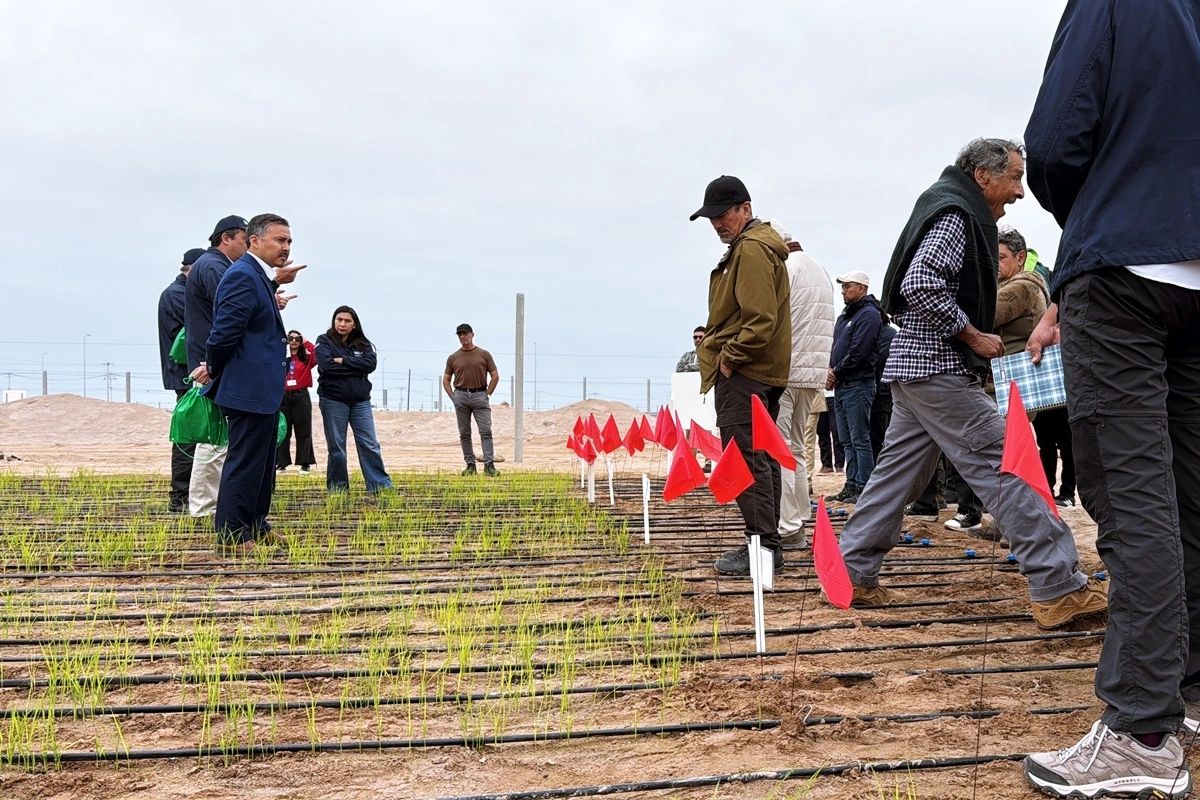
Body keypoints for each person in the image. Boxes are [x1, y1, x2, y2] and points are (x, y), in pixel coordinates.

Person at [1021, 2, 1200, 794]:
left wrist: (1097, 220)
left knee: (1135, 500)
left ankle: (1144, 729)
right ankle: (1186, 691)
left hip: (1126, 268)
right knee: (1191, 494)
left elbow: (1057, 141)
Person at [826, 138, 1105, 629]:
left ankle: (849, 571)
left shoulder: (945, 204)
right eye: (1014, 178)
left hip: (915, 370)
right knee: (1009, 467)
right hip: (940, 369)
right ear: (982, 176)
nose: (1019, 192)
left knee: (896, 478)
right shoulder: (958, 215)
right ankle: (1059, 586)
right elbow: (920, 284)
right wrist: (973, 334)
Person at [688, 175, 790, 576]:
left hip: (746, 371)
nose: (716, 223)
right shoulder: (753, 248)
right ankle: (766, 543)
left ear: (745, 208)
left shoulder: (749, 250)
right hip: (758, 371)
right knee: (760, 457)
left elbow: (759, 321)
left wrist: (729, 357)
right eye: (711, 217)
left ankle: (762, 546)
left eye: (722, 213)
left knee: (748, 459)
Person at [192, 213, 299, 553]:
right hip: (246, 386)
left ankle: (254, 523)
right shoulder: (241, 275)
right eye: (279, 240)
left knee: (263, 463)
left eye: (289, 242)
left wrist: (274, 283)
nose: (285, 247)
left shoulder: (255, 276)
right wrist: (217, 369)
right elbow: (223, 334)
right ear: (254, 240)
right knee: (244, 461)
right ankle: (231, 535)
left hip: (261, 387)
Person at [944, 226, 1049, 534]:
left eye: (1000, 257)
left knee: (1007, 455)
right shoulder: (1018, 282)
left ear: (1019, 257)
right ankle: (1008, 524)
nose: (994, 263)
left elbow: (981, 315)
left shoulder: (1023, 286)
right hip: (1011, 384)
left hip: (1013, 385)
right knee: (1007, 454)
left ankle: (1016, 527)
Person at [769, 221, 833, 547]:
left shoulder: (786, 269)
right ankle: (799, 521)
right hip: (813, 375)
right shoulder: (818, 269)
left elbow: (775, 320)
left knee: (780, 450)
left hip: (787, 371)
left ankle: (788, 525)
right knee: (796, 448)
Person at [183, 216, 247, 518]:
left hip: (213, 361)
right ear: (227, 238)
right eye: (245, 240)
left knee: (220, 440)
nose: (248, 246)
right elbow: (231, 305)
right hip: (212, 365)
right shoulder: (213, 266)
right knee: (215, 440)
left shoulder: (214, 265)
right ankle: (203, 509)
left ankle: (209, 505)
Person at [315, 306, 392, 493]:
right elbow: (326, 366)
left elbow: (370, 364)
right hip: (333, 400)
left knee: (370, 444)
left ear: (354, 324)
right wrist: (356, 367)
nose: (342, 324)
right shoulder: (324, 341)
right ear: (334, 321)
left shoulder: (363, 344)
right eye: (339, 319)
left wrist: (343, 360)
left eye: (347, 321)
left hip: (360, 401)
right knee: (337, 448)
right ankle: (339, 489)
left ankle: (379, 486)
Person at [825, 271, 882, 503]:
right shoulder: (845, 316)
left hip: (858, 383)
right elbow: (837, 347)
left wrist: (836, 370)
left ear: (861, 287)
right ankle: (851, 483)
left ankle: (864, 486)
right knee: (846, 439)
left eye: (847, 286)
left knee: (859, 438)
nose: (843, 291)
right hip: (842, 385)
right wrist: (831, 370)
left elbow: (859, 351)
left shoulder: (869, 314)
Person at [157, 247, 204, 512]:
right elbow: (201, 324)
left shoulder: (181, 292)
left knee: (198, 435)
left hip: (190, 373)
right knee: (188, 435)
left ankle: (189, 494)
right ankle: (181, 495)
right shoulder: (178, 294)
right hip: (188, 376)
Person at [443, 323, 500, 476]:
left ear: (472, 335)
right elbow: (446, 380)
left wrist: (487, 394)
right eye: (460, 334)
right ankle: (470, 465)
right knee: (464, 433)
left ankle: (489, 465)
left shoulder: (484, 354)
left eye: (465, 334)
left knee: (485, 431)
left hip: (480, 396)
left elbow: (495, 376)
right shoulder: (453, 358)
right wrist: (453, 397)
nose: (463, 337)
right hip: (461, 396)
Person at [277, 330, 316, 473]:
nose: (294, 341)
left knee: (304, 429)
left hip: (301, 395)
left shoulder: (306, 359)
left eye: (297, 339)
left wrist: (306, 342)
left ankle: (305, 462)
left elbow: (318, 355)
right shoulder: (281, 358)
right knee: (283, 429)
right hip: (284, 395)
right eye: (290, 338)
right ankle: (281, 462)